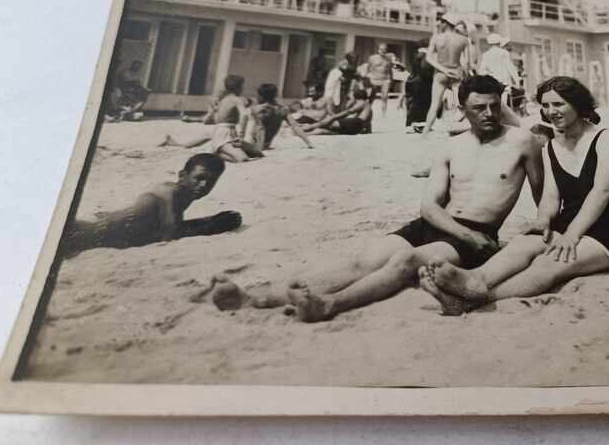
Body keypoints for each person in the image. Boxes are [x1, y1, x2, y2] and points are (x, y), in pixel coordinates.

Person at [209, 75, 544, 322]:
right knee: (361, 262)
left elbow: (544, 193)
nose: (488, 114)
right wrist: (461, 231)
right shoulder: (452, 146)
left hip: (475, 236)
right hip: (438, 224)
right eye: (478, 108)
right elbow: (428, 206)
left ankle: (331, 305)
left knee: (405, 262)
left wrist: (535, 231)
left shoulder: (522, 142)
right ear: (462, 110)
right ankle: (256, 299)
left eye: (493, 106)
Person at [417, 76, 609, 315]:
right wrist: (543, 221)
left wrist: (572, 236)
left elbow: (602, 191)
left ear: (577, 104)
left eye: (559, 104)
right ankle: (475, 278)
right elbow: (551, 197)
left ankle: (477, 299)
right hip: (567, 227)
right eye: (546, 106)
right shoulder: (553, 146)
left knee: (549, 264)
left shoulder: (606, 138)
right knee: (521, 245)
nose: (551, 111)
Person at [62, 153, 240, 256]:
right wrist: (211, 224)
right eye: (199, 178)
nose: (204, 185)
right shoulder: (173, 194)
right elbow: (170, 235)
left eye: (211, 181)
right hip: (83, 234)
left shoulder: (178, 193)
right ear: (182, 175)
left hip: (95, 228)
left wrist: (209, 220)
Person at [421, 15, 470, 134]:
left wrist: (443, 69)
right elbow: (467, 62)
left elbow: (429, 58)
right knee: (459, 104)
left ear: (445, 23)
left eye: (441, 22)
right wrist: (466, 75)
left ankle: (425, 132)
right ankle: (456, 129)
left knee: (434, 105)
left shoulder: (436, 38)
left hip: (440, 74)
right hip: (457, 72)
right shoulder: (463, 40)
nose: (440, 24)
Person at [211, 75, 264, 162]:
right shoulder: (237, 99)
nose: (243, 89)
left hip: (221, 131)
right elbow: (244, 115)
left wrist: (248, 102)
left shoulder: (225, 99)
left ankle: (221, 151)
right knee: (242, 158)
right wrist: (241, 136)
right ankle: (218, 155)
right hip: (225, 134)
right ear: (238, 87)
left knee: (258, 153)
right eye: (242, 86)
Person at [248, 83, 314, 150]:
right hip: (267, 144)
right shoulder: (283, 110)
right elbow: (295, 126)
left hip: (256, 144)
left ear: (261, 96)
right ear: (275, 95)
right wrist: (309, 143)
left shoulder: (257, 109)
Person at [479, 34, 520, 105]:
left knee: (495, 104)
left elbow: (481, 72)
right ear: (499, 43)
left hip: (493, 83)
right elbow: (511, 68)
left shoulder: (486, 55)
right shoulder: (504, 53)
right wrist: (517, 82)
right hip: (504, 83)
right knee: (503, 104)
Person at [404, 44, 434, 132]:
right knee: (422, 104)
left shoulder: (416, 55)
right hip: (422, 82)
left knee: (412, 103)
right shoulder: (425, 56)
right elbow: (425, 69)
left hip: (412, 80)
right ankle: (418, 125)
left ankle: (411, 124)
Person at [365, 44, 396, 118]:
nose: (383, 51)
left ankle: (383, 114)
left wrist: (391, 80)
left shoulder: (388, 59)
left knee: (385, 96)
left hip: (385, 79)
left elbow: (390, 70)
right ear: (378, 50)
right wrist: (367, 78)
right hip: (374, 78)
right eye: (381, 49)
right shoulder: (372, 58)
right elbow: (368, 68)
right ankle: (367, 111)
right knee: (371, 96)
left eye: (385, 49)